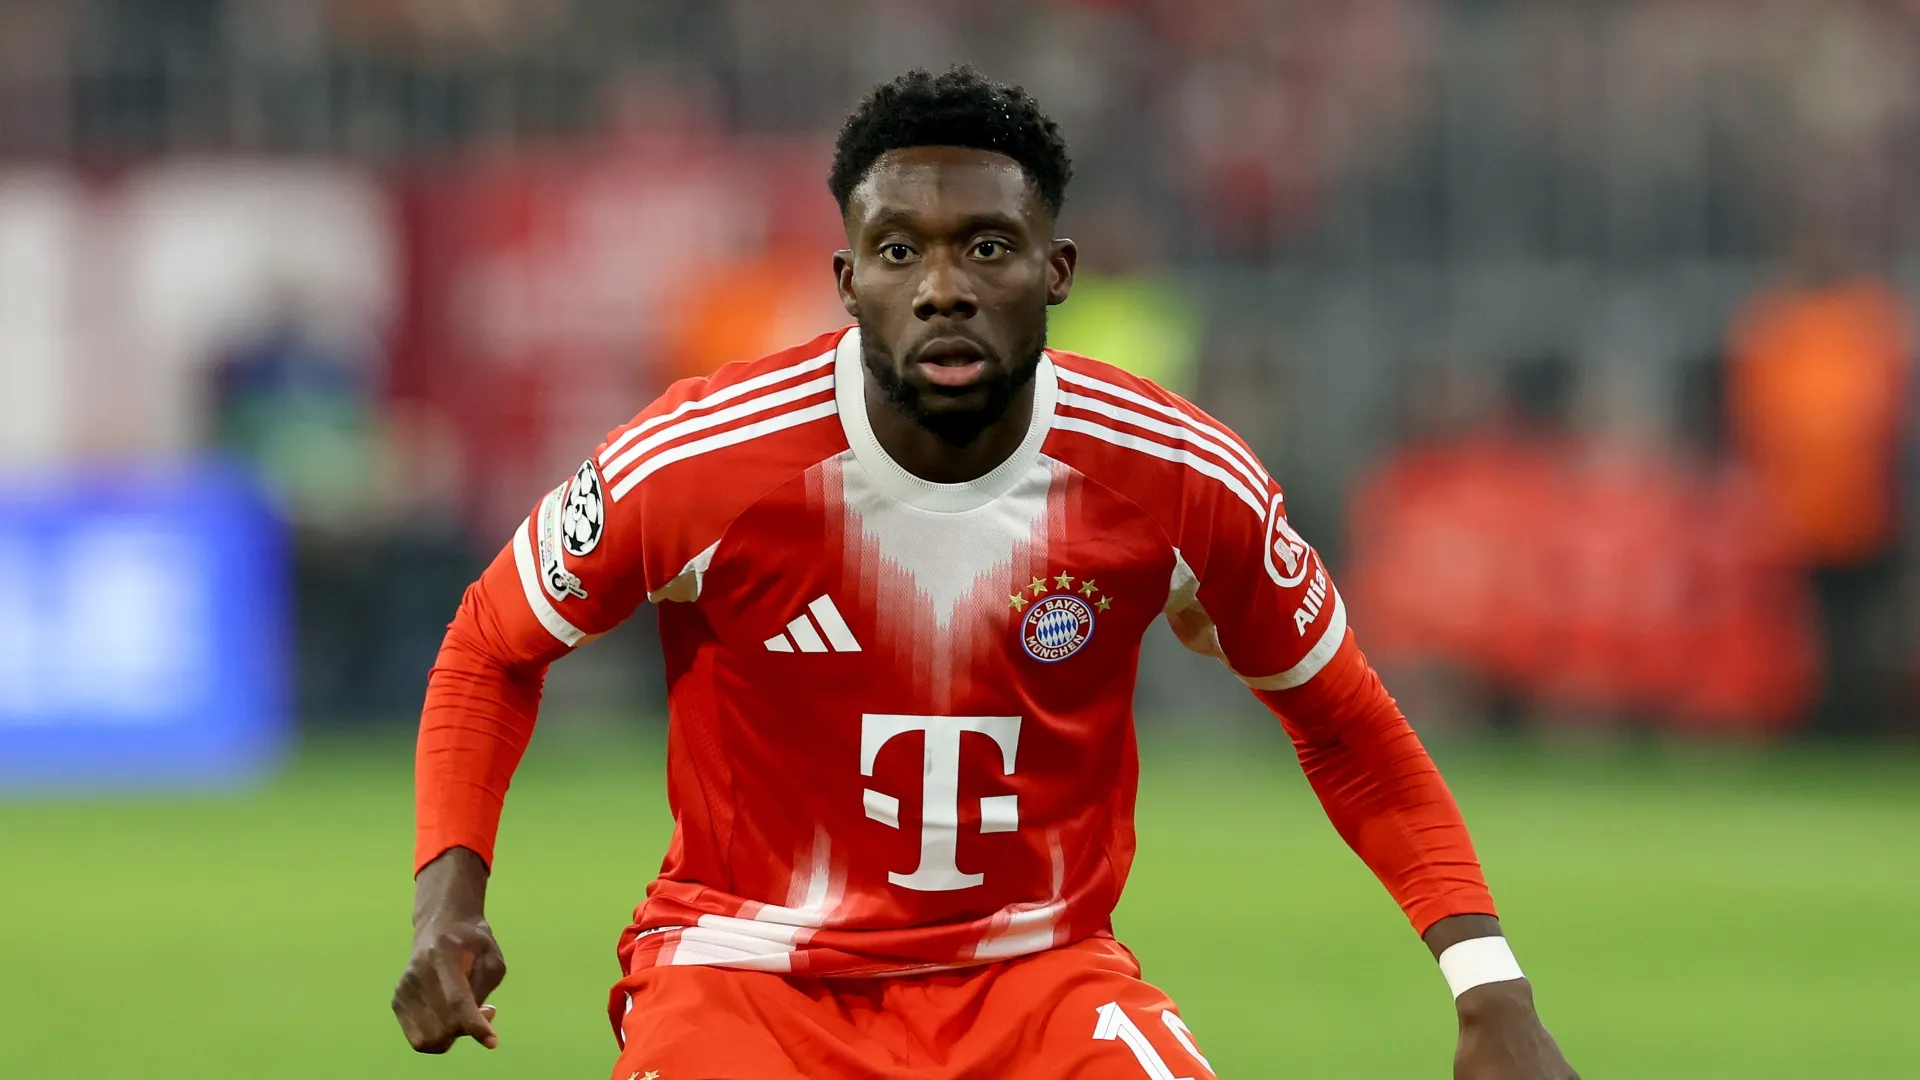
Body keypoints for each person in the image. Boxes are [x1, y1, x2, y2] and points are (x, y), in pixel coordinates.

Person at [391, 66, 1579, 1080]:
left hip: (1040, 982)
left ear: (1057, 271)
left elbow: (1342, 721)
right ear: (848, 279)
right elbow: (493, 644)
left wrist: (1489, 985)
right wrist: (448, 903)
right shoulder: (700, 464)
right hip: (748, 980)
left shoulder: (1176, 478)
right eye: (900, 250)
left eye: (988, 248)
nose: (945, 286)